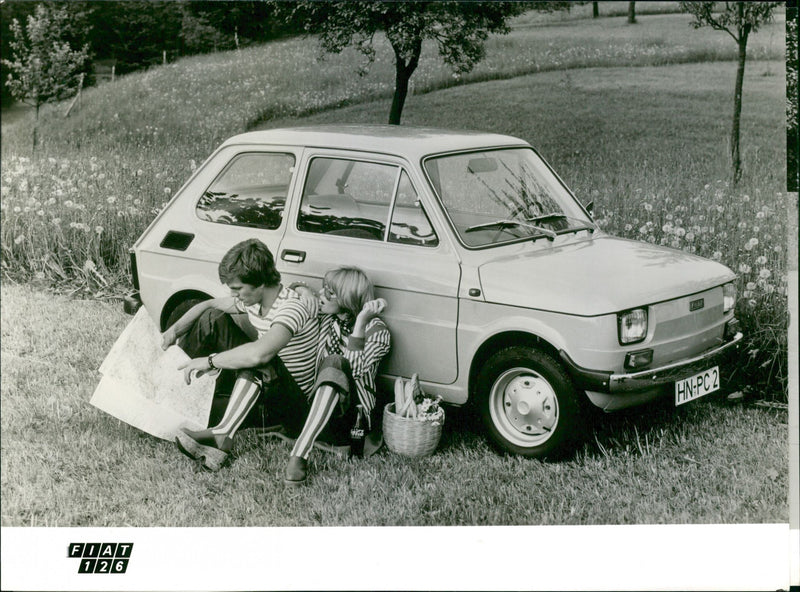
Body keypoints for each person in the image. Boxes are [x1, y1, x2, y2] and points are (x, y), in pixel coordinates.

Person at [161, 238, 319, 471]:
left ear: (261, 283)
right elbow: (209, 304)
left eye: (238, 289)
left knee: (255, 359)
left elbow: (260, 355)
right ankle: (169, 388)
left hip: (289, 403)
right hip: (262, 382)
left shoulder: (291, 307)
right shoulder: (255, 301)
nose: (235, 295)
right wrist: (173, 330)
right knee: (212, 318)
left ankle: (219, 434)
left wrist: (210, 361)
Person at [285, 267, 390, 486]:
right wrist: (302, 289)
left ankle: (299, 454)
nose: (321, 295)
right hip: (318, 411)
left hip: (351, 422)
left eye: (329, 293)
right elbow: (290, 290)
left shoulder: (378, 331)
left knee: (335, 361)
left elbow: (355, 369)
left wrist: (360, 324)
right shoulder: (330, 319)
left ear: (347, 298)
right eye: (323, 289)